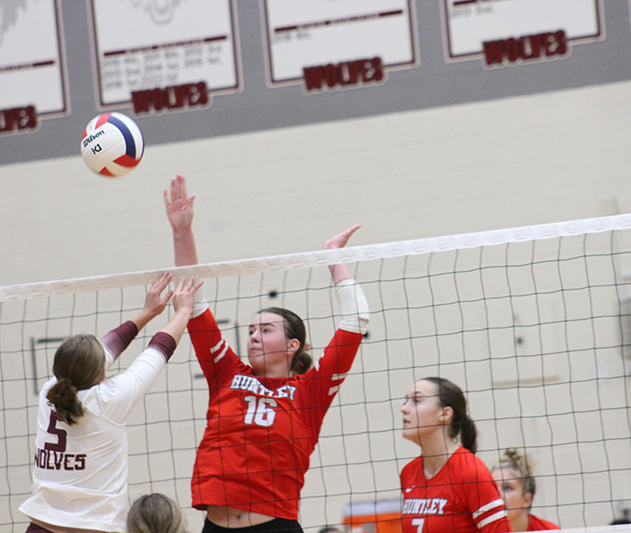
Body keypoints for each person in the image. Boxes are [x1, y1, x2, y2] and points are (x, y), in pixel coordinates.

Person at [164, 175, 369, 533]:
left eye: (266, 330)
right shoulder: (227, 372)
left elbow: (355, 321)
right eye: (252, 330)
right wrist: (182, 232)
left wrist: (334, 258)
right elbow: (194, 302)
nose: (255, 336)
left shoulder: (311, 391)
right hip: (214, 526)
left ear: (293, 347)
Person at [19, 272, 203, 533]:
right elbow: (159, 350)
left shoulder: (49, 391)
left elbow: (106, 349)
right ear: (102, 373)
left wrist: (148, 312)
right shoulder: (108, 400)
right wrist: (183, 310)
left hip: (40, 527)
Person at [400, 377, 511, 533]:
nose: (404, 408)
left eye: (416, 401)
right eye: (405, 401)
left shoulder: (471, 473)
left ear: (445, 414)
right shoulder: (409, 473)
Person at [491, 449, 558, 531]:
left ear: (526, 500)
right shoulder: (478, 529)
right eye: (493, 488)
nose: (498, 495)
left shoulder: (550, 530)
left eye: (507, 488)